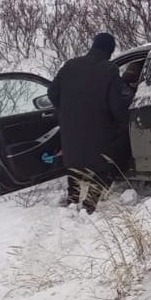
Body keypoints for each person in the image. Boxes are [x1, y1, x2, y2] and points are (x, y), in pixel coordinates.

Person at [48, 32, 133, 213]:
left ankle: (73, 199)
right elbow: (116, 103)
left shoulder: (70, 65)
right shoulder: (108, 69)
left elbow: (52, 93)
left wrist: (64, 112)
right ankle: (90, 203)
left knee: (74, 163)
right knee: (105, 164)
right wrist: (122, 121)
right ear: (110, 50)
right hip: (99, 128)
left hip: (70, 128)